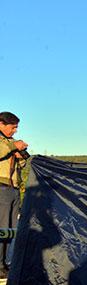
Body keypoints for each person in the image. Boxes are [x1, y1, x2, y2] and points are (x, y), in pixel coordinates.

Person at [0, 112, 29, 273]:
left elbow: (23, 166)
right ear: (1, 124)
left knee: (10, 229)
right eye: (13, 127)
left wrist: (20, 156)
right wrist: (13, 147)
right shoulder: (6, 143)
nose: (15, 131)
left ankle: (6, 262)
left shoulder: (11, 143)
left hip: (14, 189)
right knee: (2, 228)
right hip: (1, 188)